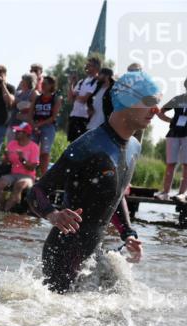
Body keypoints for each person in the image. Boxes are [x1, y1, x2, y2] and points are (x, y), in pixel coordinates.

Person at [27, 70, 158, 293]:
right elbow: (36, 191)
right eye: (148, 102)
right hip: (63, 254)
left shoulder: (135, 147)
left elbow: (114, 193)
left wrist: (127, 233)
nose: (156, 110)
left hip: (94, 252)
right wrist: (53, 214)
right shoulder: (87, 146)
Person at [0, 122, 40, 211]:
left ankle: (6, 210)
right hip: (13, 174)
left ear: (26, 134)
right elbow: (4, 163)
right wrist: (5, 157)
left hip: (28, 176)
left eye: (19, 131)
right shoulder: (12, 144)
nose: (16, 133)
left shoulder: (34, 147)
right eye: (16, 131)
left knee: (19, 185)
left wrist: (22, 159)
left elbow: (32, 168)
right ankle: (0, 209)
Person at [156, 77, 187, 202]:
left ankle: (182, 193)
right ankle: (165, 192)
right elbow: (160, 112)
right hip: (173, 133)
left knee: (186, 164)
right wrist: (170, 120)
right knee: (170, 163)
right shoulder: (177, 99)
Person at [31, 75, 61, 176]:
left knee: (44, 153)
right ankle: (31, 174)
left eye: (45, 84)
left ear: (51, 85)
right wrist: (34, 125)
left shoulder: (56, 98)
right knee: (32, 151)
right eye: (42, 83)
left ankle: (44, 176)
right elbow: (30, 114)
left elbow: (53, 117)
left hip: (48, 127)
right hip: (35, 126)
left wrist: (39, 124)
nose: (43, 85)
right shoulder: (37, 98)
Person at [66, 56, 100, 142]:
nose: (87, 67)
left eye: (90, 65)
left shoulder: (97, 81)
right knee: (71, 143)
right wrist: (71, 83)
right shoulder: (82, 81)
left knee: (82, 144)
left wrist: (76, 97)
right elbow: (70, 99)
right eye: (87, 65)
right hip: (74, 116)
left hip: (85, 118)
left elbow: (85, 99)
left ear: (96, 68)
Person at [87, 67, 115, 132]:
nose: (98, 76)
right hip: (91, 124)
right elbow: (89, 100)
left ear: (107, 76)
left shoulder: (114, 90)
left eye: (100, 74)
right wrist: (90, 108)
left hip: (104, 126)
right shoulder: (98, 87)